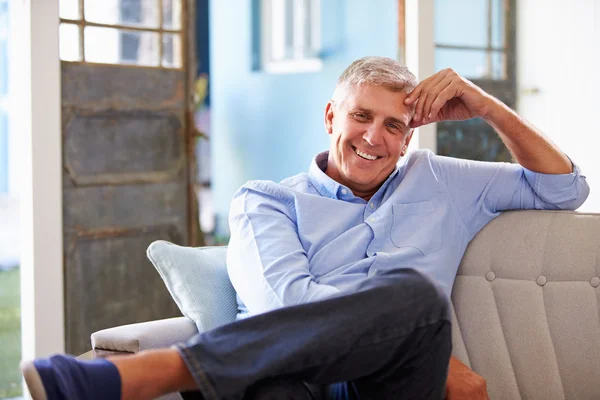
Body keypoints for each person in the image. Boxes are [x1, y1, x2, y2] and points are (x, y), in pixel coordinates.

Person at [21, 56, 589, 400]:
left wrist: (487, 106)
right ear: (330, 117)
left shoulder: (445, 181)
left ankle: (150, 375)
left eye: (395, 126)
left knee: (412, 297)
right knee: (278, 390)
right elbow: (282, 308)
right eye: (361, 116)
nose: (374, 137)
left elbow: (566, 188)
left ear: (409, 137)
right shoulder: (266, 202)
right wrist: (429, 348)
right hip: (293, 380)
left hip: (390, 387)